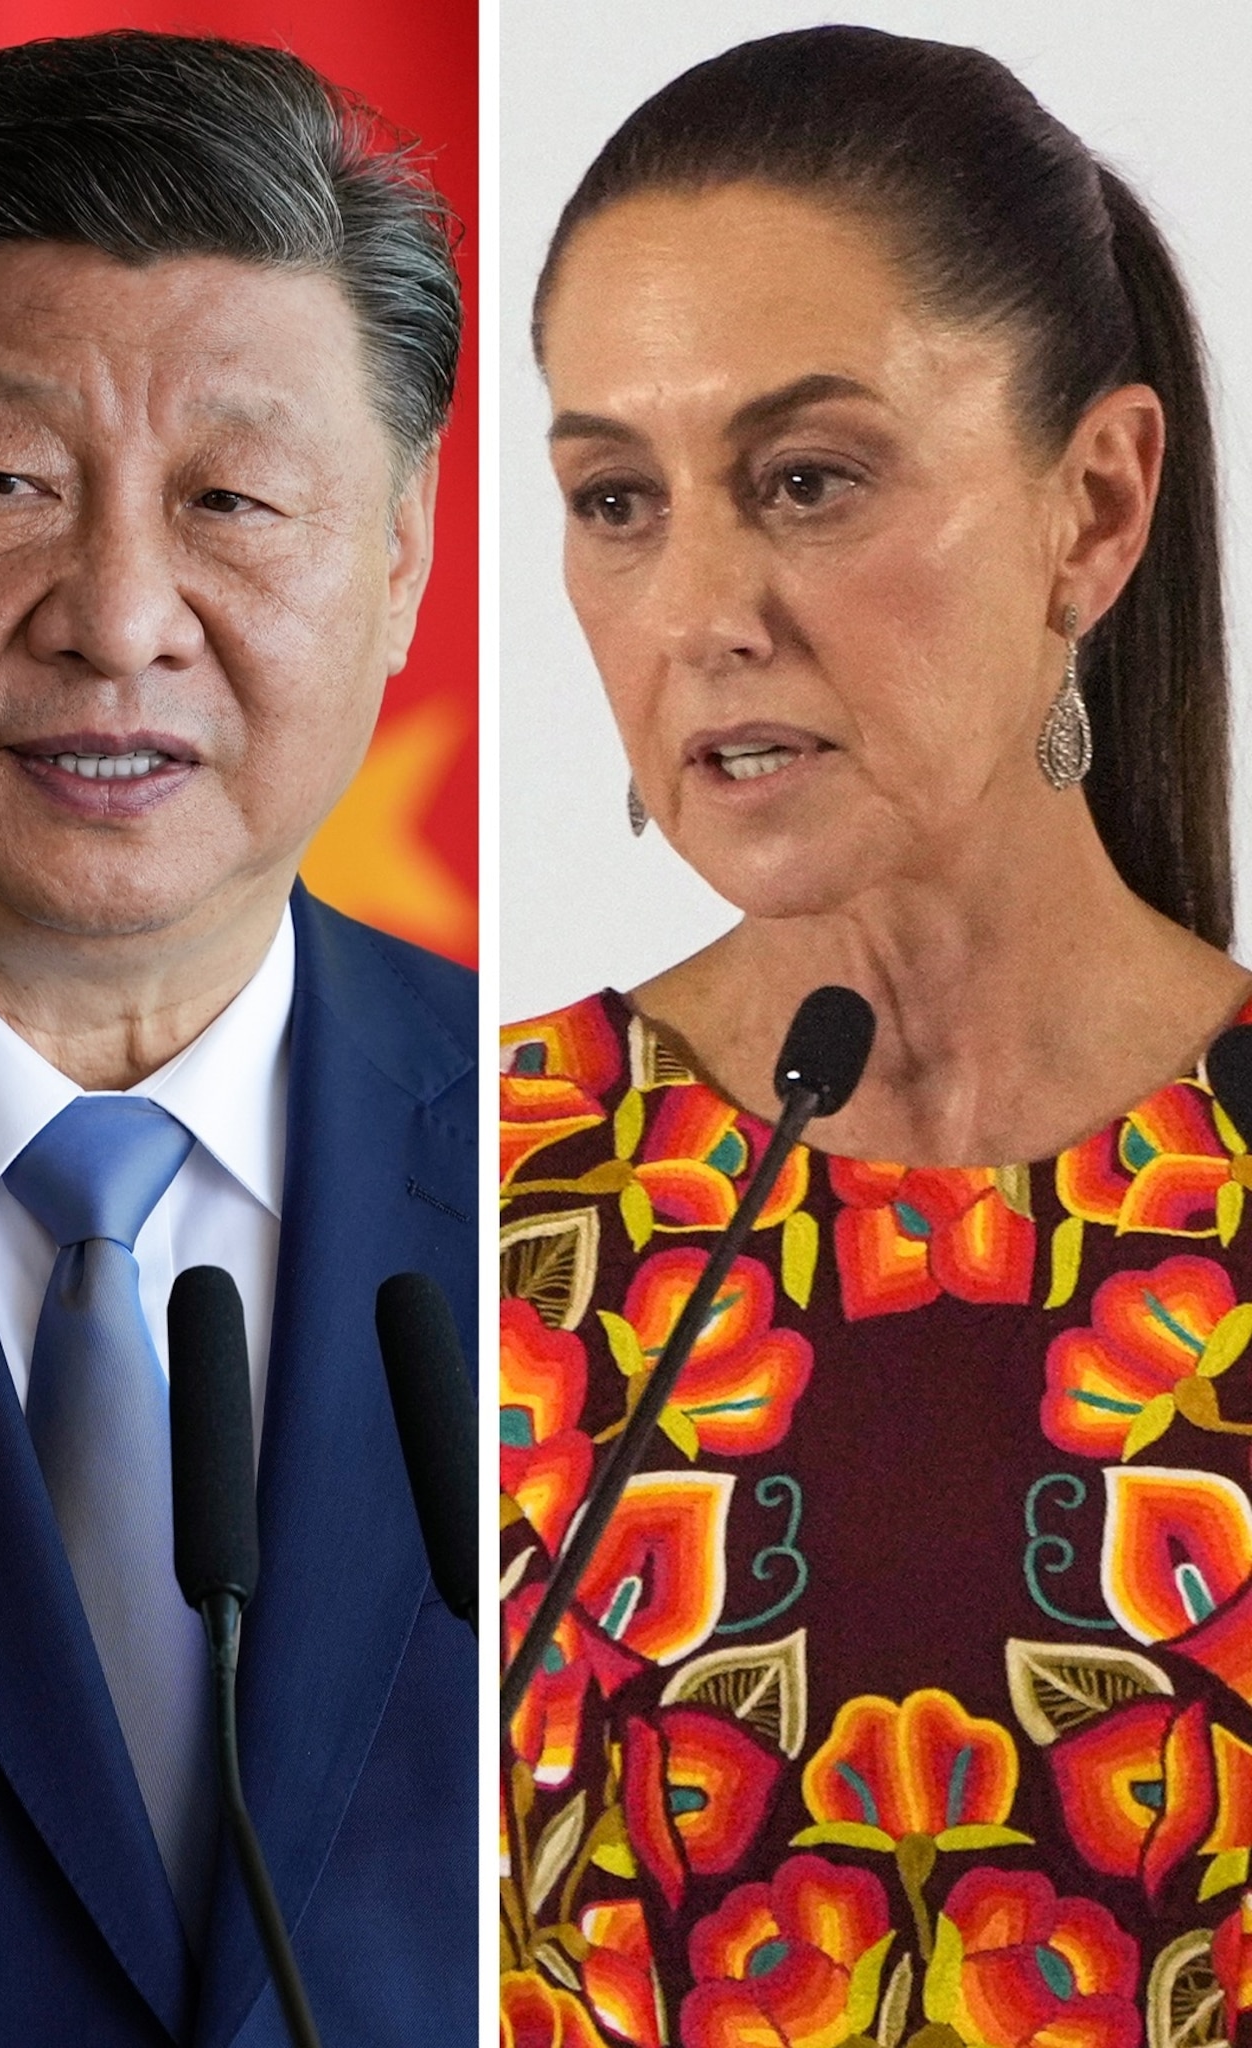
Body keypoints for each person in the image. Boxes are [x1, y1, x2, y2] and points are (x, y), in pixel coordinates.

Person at [498, 26, 1252, 2042]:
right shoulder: (464, 1182)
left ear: (1096, 509)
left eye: (808, 480)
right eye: (615, 501)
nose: (700, 609)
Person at [0, 33, 476, 2043]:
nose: (122, 612)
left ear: (401, 559)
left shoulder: (596, 1168)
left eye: (233, 498)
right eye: (9, 485)